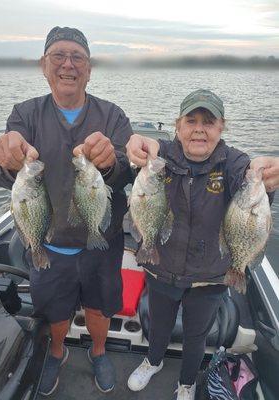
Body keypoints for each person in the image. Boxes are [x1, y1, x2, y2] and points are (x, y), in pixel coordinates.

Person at [0, 26, 133, 396]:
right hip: (47, 243)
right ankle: (56, 350)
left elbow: (126, 173)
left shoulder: (112, 115)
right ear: (43, 65)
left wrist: (111, 163)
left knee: (99, 309)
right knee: (55, 310)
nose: (68, 64)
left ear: (89, 67)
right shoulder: (25, 114)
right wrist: (5, 158)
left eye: (77, 57)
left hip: (102, 241)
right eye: (59, 56)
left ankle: (99, 352)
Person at [126, 89, 279, 400]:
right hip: (162, 270)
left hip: (210, 277)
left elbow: (248, 186)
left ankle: (187, 382)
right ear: (178, 126)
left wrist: (261, 174)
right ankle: (152, 361)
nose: (199, 128)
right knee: (158, 326)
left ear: (221, 127)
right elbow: (145, 153)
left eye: (208, 122)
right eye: (191, 120)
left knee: (196, 337)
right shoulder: (162, 158)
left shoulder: (234, 163)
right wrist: (140, 147)